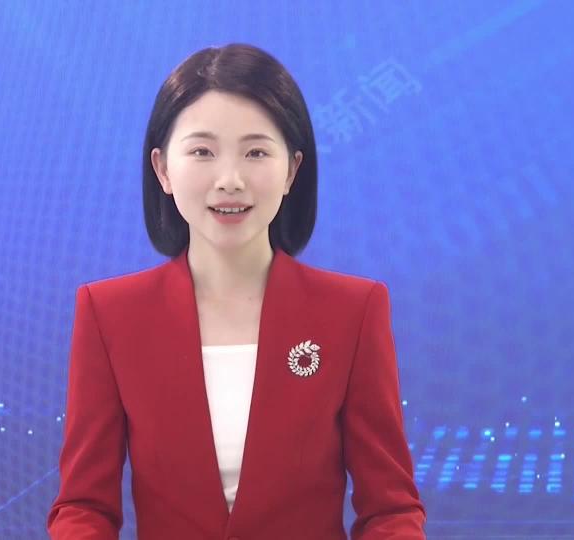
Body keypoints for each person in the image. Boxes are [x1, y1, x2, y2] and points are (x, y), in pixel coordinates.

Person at [47, 43, 426, 540]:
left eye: (256, 152)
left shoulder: (353, 311)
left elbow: (390, 510)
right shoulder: (109, 314)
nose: (230, 180)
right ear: (163, 169)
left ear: (292, 170)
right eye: (202, 151)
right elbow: (83, 507)